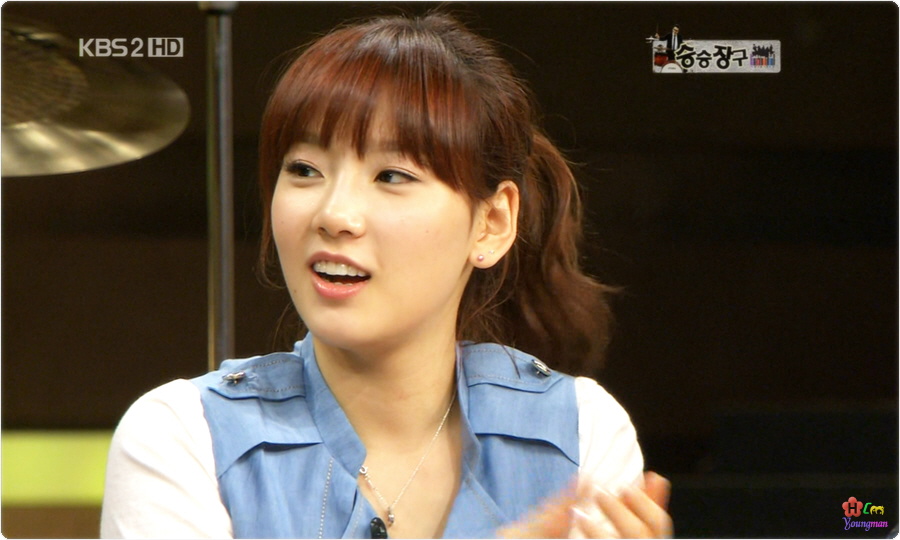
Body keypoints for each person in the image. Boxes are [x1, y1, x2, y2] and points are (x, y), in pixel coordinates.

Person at [101, 11, 672, 539]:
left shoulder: (580, 430)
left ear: (492, 223)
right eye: (304, 169)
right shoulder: (181, 436)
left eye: (392, 176)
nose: (334, 215)